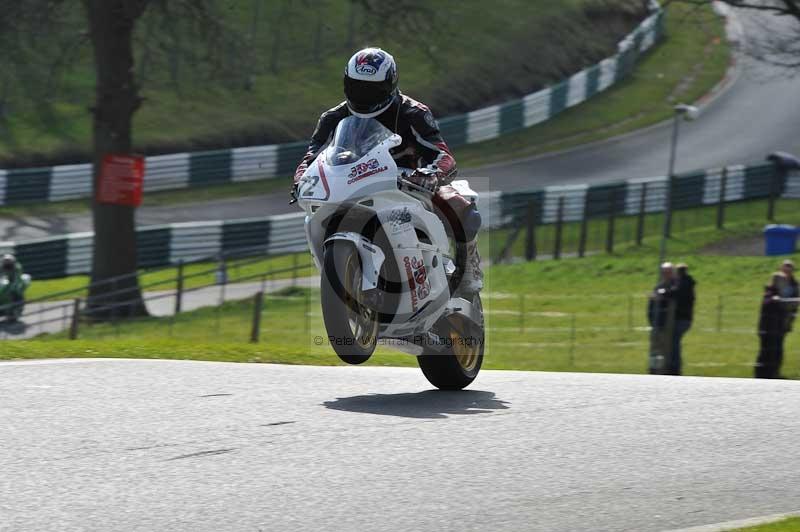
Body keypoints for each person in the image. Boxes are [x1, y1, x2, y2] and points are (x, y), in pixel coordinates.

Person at [292, 47, 483, 297]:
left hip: (410, 183)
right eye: (357, 88)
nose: (364, 96)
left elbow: (443, 154)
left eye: (372, 90)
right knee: (314, 216)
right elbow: (312, 156)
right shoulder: (332, 117)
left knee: (458, 206)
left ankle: (468, 267)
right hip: (354, 182)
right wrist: (300, 179)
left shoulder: (413, 112)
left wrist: (432, 174)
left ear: (390, 85)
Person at [754, 280, 789, 378]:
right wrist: (774, 298)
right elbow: (768, 301)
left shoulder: (775, 297)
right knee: (767, 352)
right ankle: (763, 374)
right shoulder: (769, 297)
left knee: (774, 352)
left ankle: (772, 373)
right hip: (768, 331)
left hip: (775, 330)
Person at [648, 262, 677, 375]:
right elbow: (650, 307)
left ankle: (666, 372)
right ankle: (654, 371)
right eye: (664, 273)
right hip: (656, 325)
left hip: (668, 326)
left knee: (667, 351)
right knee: (655, 350)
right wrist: (652, 321)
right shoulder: (658, 287)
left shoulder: (675, 288)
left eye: (669, 272)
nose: (666, 275)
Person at [671, 263, 696, 376]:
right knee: (675, 341)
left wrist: (664, 293)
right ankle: (675, 365)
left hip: (681, 318)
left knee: (674, 341)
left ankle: (675, 367)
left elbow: (676, 293)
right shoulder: (687, 283)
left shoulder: (683, 284)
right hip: (686, 318)